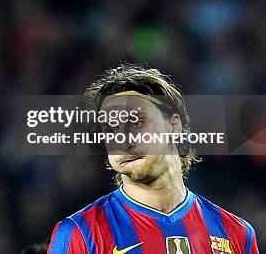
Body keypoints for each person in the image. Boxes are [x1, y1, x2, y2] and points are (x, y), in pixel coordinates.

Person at [47, 65, 259, 254]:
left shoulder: (236, 234)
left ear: (174, 126)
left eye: (136, 123)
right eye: (111, 130)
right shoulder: (80, 233)